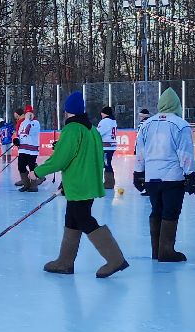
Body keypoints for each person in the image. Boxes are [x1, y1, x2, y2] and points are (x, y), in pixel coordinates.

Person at [36, 92, 129, 278]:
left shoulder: (72, 130)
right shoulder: (91, 129)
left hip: (79, 185)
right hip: (85, 183)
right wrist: (65, 182)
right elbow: (84, 158)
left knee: (84, 220)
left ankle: (115, 259)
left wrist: (36, 172)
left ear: (66, 111)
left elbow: (60, 160)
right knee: (72, 218)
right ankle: (64, 261)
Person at [134, 88, 195, 263]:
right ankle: (166, 250)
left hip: (152, 177)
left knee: (156, 210)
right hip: (172, 177)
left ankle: (157, 250)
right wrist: (191, 174)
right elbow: (184, 152)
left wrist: (138, 172)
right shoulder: (180, 124)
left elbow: (140, 151)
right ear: (177, 105)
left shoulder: (147, 124)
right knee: (170, 211)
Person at [15, 105, 43, 190]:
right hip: (23, 148)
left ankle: (34, 185)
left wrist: (27, 120)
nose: (29, 115)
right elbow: (20, 133)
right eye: (27, 113)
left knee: (32, 167)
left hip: (31, 149)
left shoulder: (35, 123)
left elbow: (28, 131)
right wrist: (16, 140)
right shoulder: (23, 122)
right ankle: (26, 183)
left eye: (30, 113)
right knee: (21, 166)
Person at [97, 106, 119, 189]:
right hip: (111, 146)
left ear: (104, 113)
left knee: (106, 164)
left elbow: (98, 133)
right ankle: (108, 182)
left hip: (106, 147)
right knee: (106, 163)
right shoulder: (113, 121)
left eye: (101, 113)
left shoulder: (105, 121)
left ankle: (109, 183)